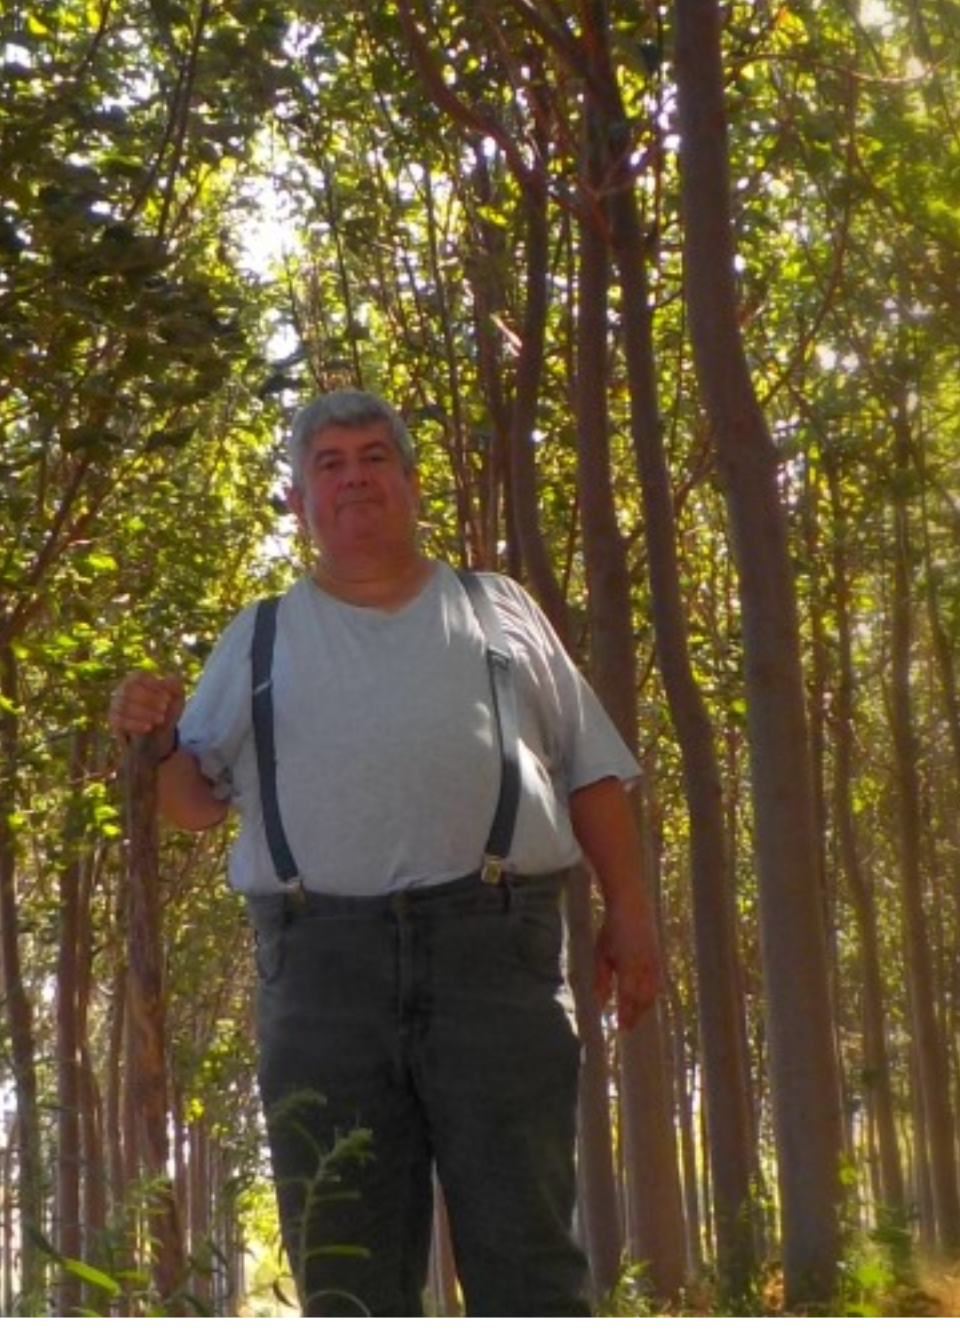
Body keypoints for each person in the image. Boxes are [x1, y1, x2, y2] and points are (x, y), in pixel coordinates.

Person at [107, 388, 661, 1317]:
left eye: (374, 457)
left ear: (411, 481)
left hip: (498, 962)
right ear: (299, 500)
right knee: (347, 1268)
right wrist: (155, 741)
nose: (355, 478)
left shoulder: (500, 609)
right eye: (329, 464)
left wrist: (632, 916)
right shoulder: (259, 634)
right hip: (322, 974)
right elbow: (194, 804)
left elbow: (591, 772)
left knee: (528, 1257)